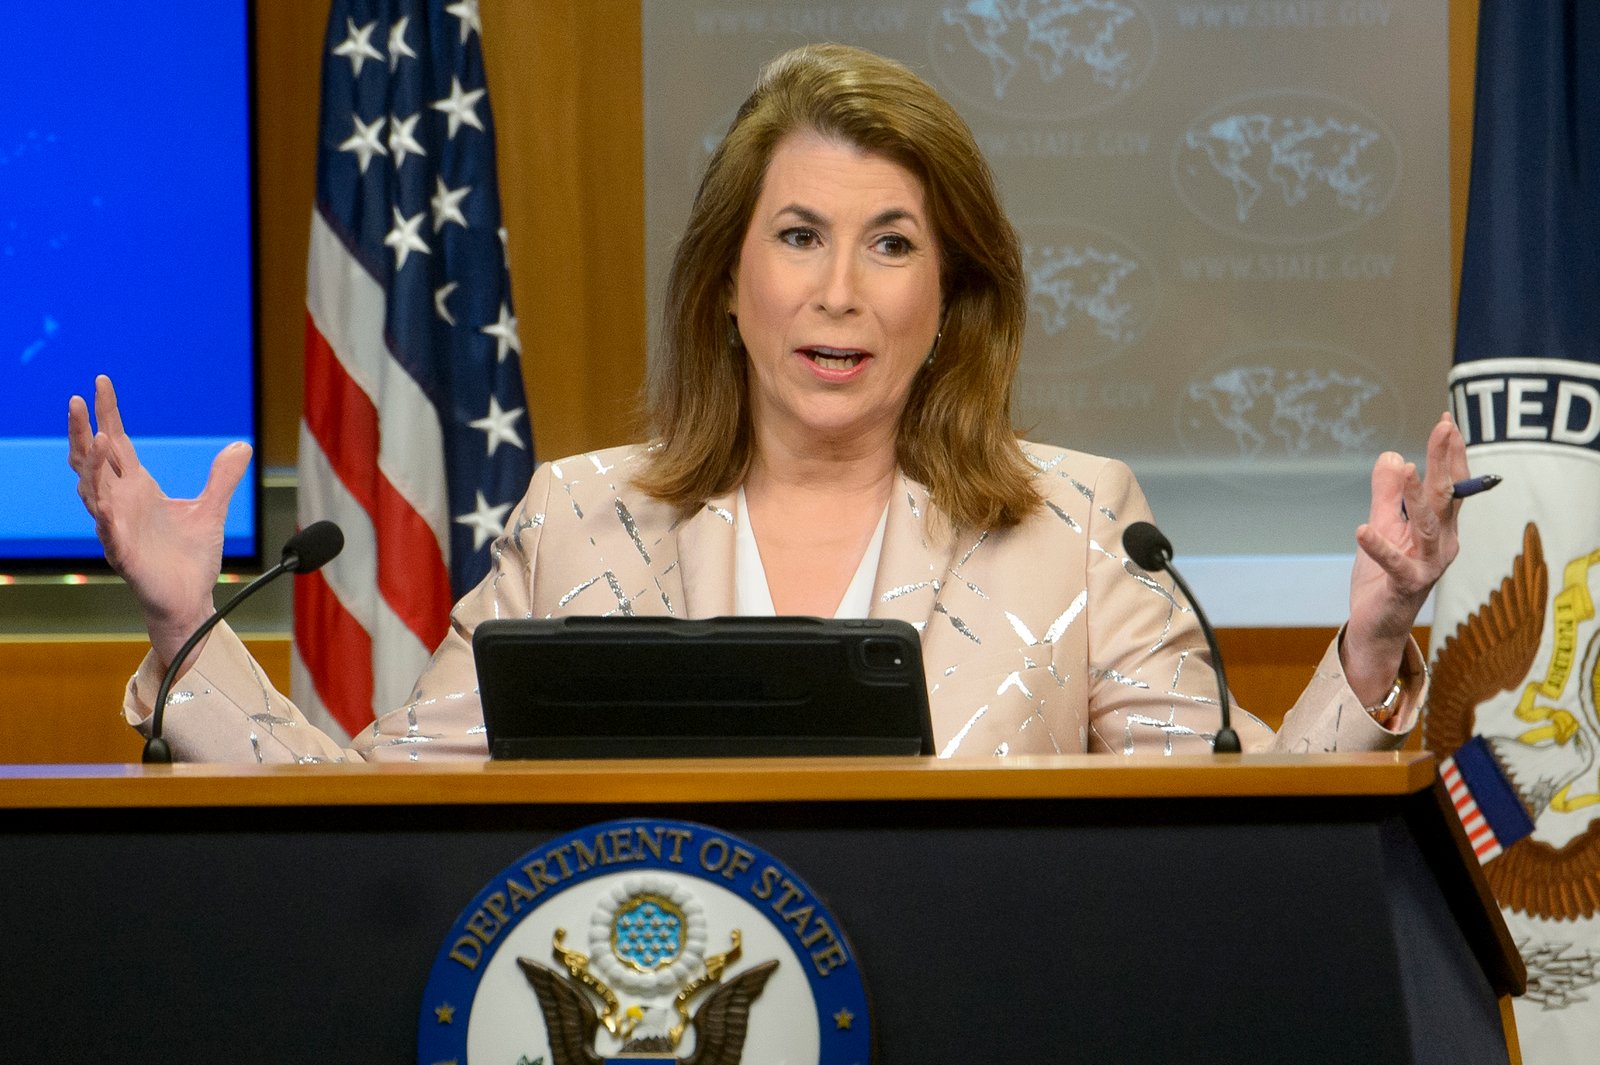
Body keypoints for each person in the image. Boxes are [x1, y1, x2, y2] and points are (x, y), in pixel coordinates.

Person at [68, 44, 1467, 763]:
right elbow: (377, 809)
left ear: (950, 297)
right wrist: (187, 624)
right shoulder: (578, 520)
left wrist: (1371, 642)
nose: (840, 292)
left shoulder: (1083, 524)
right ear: (729, 284)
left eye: (892, 243)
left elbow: (1240, 815)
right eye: (799, 236)